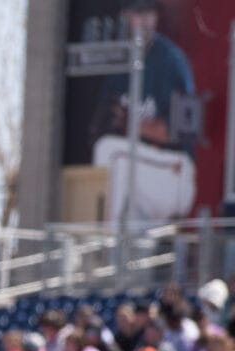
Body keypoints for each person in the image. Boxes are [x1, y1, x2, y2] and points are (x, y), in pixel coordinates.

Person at [90, 0, 196, 223]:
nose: (146, 20)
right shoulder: (119, 64)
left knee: (108, 149)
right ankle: (120, 251)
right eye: (138, 13)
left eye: (150, 12)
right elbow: (100, 124)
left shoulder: (171, 59)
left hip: (174, 171)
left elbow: (182, 131)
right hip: (139, 172)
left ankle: (103, 241)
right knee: (135, 236)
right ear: (125, 16)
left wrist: (131, 124)